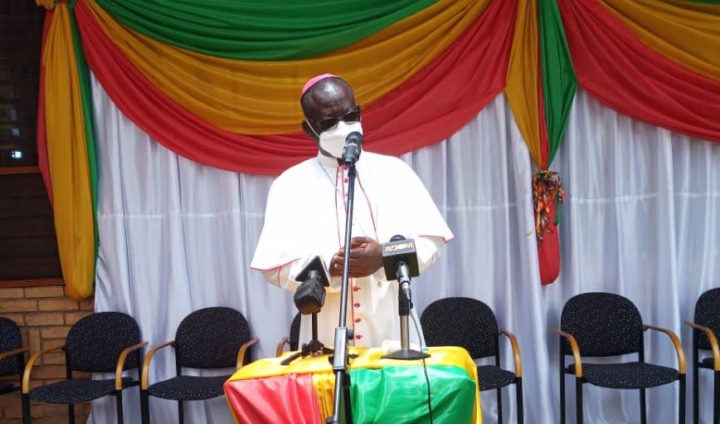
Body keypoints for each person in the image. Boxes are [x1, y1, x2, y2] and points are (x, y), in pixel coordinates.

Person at [251, 74, 453, 348]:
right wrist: (330, 268)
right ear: (309, 129)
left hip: (395, 330)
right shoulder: (289, 185)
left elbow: (432, 242)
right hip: (325, 335)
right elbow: (275, 267)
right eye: (330, 122)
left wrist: (383, 257)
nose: (343, 127)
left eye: (350, 116)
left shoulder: (395, 172)